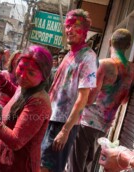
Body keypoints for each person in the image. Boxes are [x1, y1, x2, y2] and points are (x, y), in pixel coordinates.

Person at [0, 45, 53, 172]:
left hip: (17, 165)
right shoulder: (26, 87)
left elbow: (16, 141)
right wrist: (4, 84)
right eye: (21, 68)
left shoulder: (39, 102)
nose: (23, 75)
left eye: (31, 72)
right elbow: (19, 99)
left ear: (43, 77)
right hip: (4, 157)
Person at [67, 28, 134, 172]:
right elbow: (124, 101)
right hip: (105, 127)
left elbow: (89, 98)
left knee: (76, 166)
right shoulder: (132, 70)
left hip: (87, 123)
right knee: (89, 165)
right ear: (128, 46)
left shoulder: (103, 64)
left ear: (110, 42)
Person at [40, 9, 98, 172]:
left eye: (75, 26)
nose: (69, 30)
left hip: (63, 124)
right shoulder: (69, 55)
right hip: (52, 119)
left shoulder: (88, 57)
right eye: (67, 26)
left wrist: (65, 131)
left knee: (45, 167)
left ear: (85, 31)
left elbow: (83, 98)